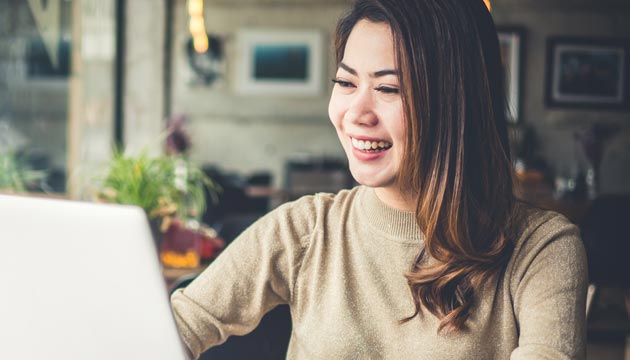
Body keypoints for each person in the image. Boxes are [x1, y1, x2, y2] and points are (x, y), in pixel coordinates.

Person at [169, 0, 588, 358]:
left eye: (389, 89)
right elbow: (175, 327)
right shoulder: (304, 230)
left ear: (455, 103)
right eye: (345, 82)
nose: (356, 114)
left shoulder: (541, 250)